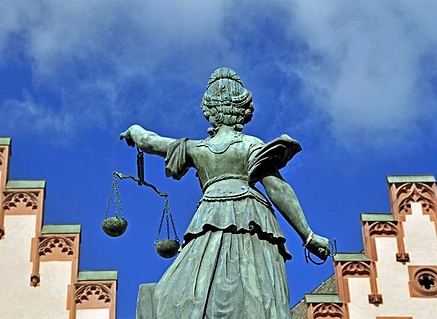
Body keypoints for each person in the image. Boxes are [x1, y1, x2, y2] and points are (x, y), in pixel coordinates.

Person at [120, 67, 330, 318]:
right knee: (256, 291)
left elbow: (152, 142)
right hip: (254, 219)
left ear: (209, 111)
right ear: (243, 110)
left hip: (211, 220)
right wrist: (308, 235)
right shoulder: (251, 145)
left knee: (190, 292)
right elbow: (277, 188)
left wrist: (134, 131)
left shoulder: (198, 149)